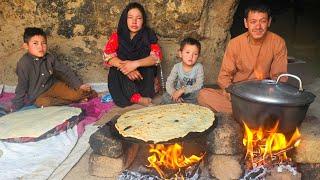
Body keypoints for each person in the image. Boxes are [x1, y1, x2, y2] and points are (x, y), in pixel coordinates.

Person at [198, 3, 287, 113]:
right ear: (246, 23)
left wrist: (266, 95)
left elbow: (279, 78)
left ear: (268, 22)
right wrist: (233, 95)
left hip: (263, 95)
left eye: (262, 21)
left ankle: (246, 112)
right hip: (238, 94)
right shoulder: (235, 44)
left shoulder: (278, 43)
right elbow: (224, 77)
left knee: (284, 101)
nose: (258, 27)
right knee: (203, 95)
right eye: (253, 22)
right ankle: (253, 113)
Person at [11, 27, 97, 111]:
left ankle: (88, 95)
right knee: (43, 104)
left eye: (43, 43)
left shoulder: (49, 58)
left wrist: (79, 85)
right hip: (38, 95)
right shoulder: (24, 63)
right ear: (26, 46)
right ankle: (74, 100)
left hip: (54, 86)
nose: (40, 47)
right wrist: (16, 107)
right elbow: (21, 86)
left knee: (76, 94)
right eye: (35, 43)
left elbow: (65, 71)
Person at [103, 2, 162, 107]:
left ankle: (137, 96)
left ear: (143, 21)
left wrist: (135, 64)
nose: (134, 22)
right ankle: (137, 99)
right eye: (130, 18)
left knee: (148, 68)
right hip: (124, 77)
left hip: (143, 78)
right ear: (125, 19)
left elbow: (156, 58)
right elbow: (108, 57)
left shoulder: (149, 35)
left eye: (138, 18)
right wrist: (127, 68)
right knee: (114, 69)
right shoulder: (117, 36)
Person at [161, 37, 204, 104]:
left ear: (198, 56)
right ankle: (181, 103)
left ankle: (185, 105)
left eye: (195, 54)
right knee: (165, 97)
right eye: (187, 52)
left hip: (192, 94)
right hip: (178, 94)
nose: (191, 56)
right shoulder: (177, 67)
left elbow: (199, 84)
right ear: (180, 54)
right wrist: (174, 93)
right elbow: (169, 83)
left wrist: (184, 90)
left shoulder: (199, 67)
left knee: (202, 96)